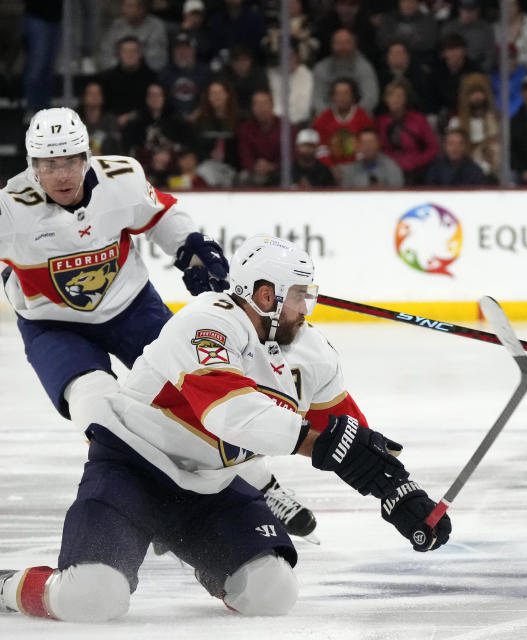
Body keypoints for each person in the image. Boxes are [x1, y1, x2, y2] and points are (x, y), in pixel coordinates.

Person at [0, 235, 452, 621]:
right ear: (263, 295)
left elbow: (350, 433)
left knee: (271, 594)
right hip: (132, 472)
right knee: (93, 598)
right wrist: (314, 443)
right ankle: (6, 586)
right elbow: (230, 414)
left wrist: (401, 492)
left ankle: (192, 545)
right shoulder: (206, 323)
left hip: (210, 488)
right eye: (298, 295)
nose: (306, 307)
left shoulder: (311, 351)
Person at [0, 107, 228, 441]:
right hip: (53, 326)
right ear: (33, 166)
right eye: (49, 164)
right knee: (99, 411)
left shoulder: (122, 179)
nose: (61, 175)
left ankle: (260, 484)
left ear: (87, 158)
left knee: (198, 393)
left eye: (70, 161)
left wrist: (194, 254)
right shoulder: (9, 210)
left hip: (132, 309)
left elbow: (161, 214)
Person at [340, 127, 405, 187]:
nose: (368, 147)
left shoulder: (391, 166)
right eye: (364, 143)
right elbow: (344, 194)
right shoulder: (350, 168)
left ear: (378, 144)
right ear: (358, 146)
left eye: (371, 142)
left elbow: (398, 193)